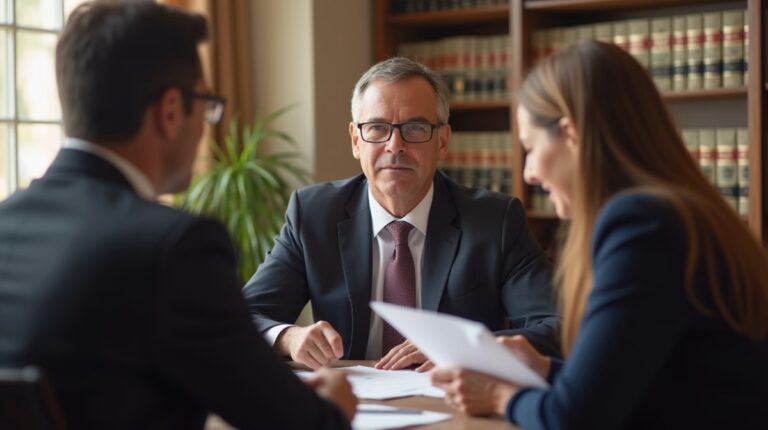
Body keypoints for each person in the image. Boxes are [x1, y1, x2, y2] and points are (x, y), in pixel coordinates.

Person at [0, 1, 356, 429]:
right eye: (206, 105)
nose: (206, 125)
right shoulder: (173, 249)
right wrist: (333, 406)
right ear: (170, 111)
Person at [431, 40, 768, 428]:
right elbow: (658, 385)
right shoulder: (679, 211)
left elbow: (574, 419)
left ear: (571, 134)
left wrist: (496, 394)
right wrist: (543, 369)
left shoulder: (641, 224)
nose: (529, 174)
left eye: (531, 147)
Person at [243, 56, 559, 371]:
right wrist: (289, 337)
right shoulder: (313, 214)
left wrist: (458, 348)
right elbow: (243, 316)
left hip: (454, 404)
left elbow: (556, 327)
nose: (395, 146)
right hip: (352, 405)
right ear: (355, 140)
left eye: (415, 128)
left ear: (443, 140)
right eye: (378, 128)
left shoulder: (495, 220)